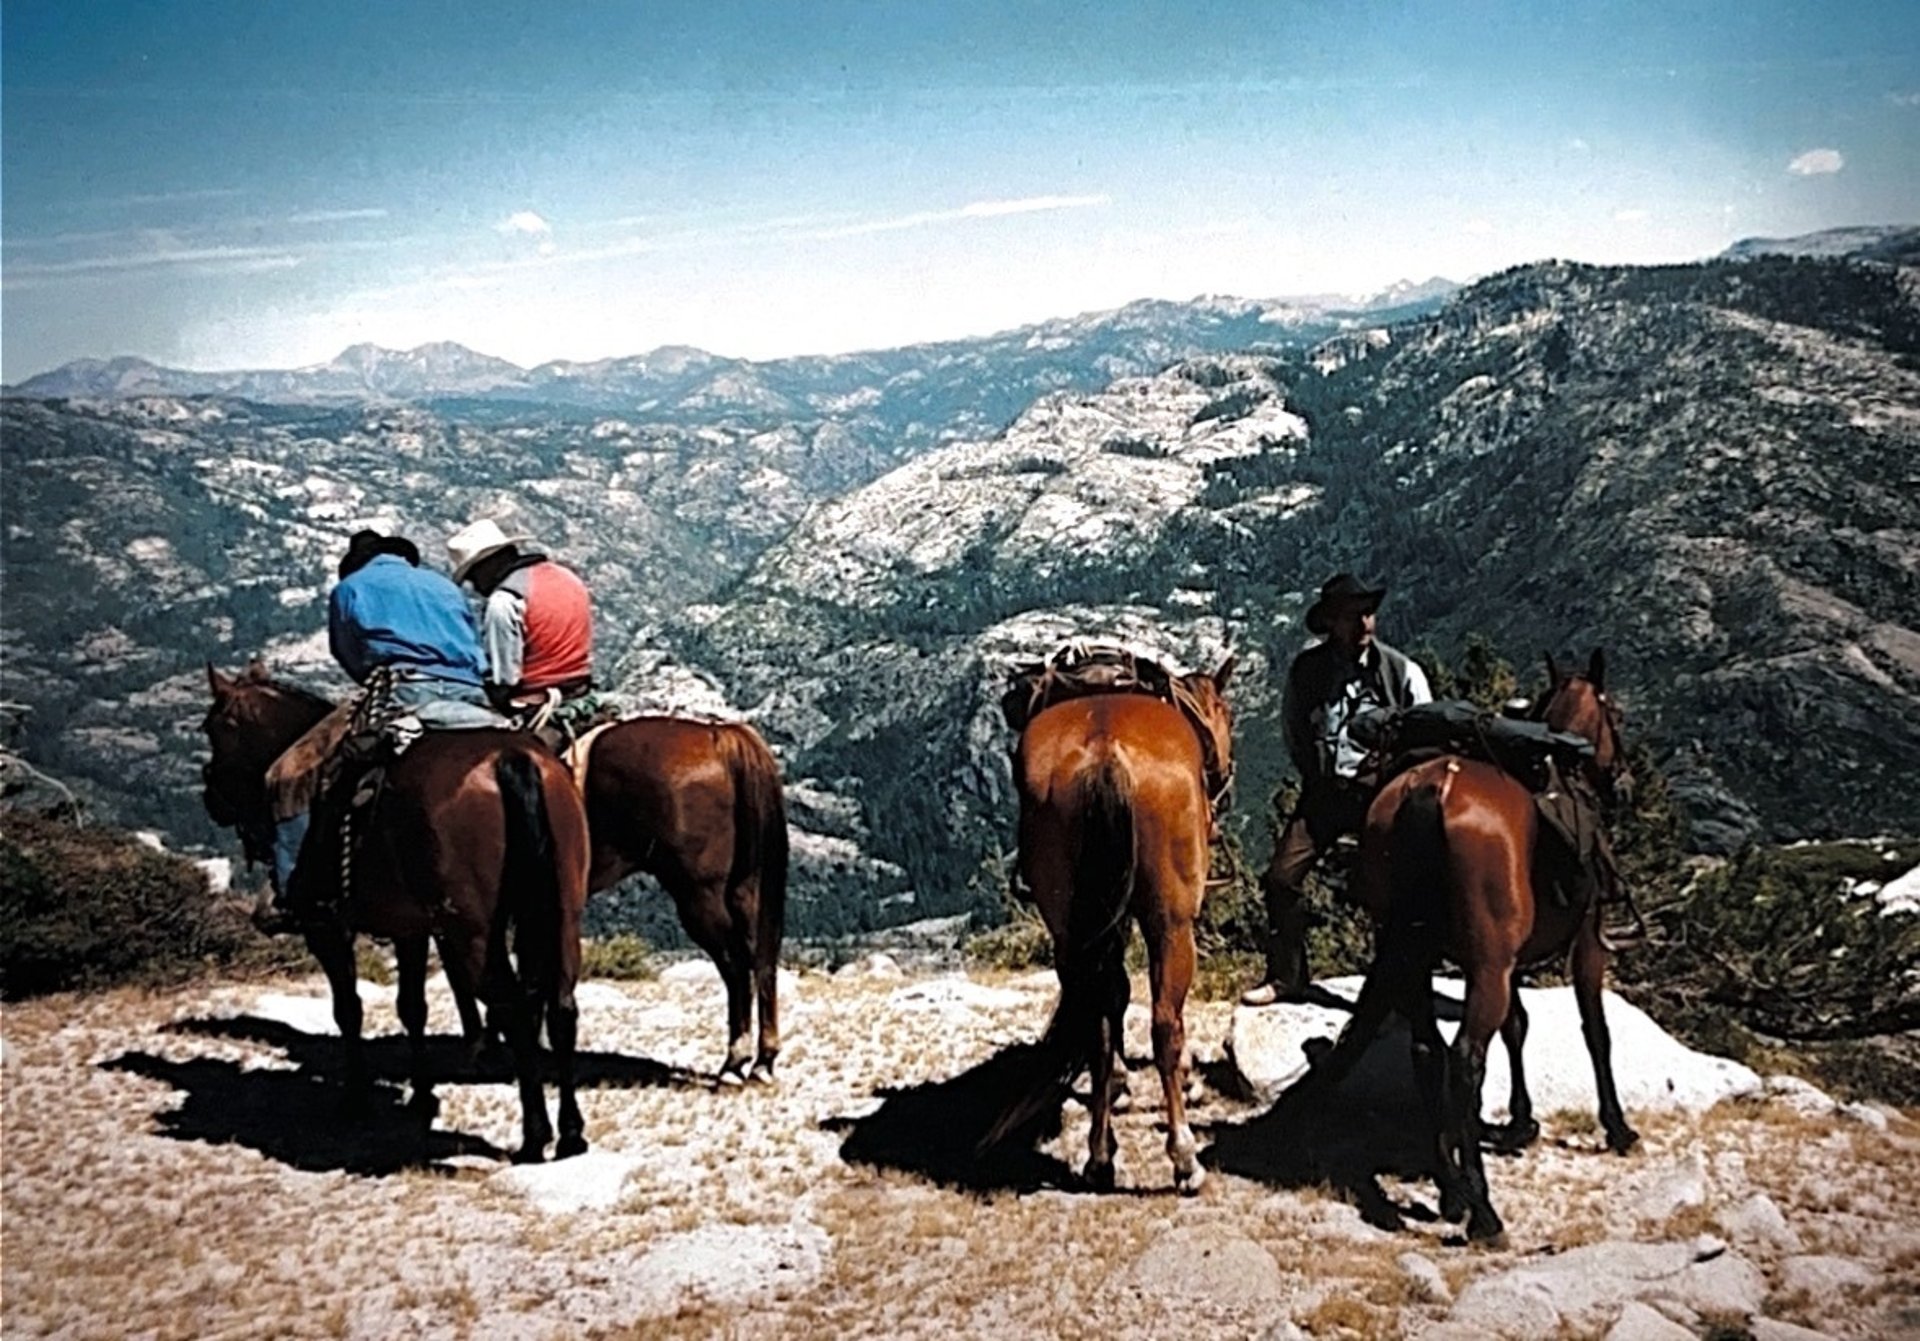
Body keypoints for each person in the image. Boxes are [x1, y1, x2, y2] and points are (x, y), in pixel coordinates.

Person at [253, 528, 500, 934]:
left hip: (400, 691)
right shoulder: (443, 586)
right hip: (470, 696)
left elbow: (348, 654)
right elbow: (473, 648)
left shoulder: (350, 588)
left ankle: (293, 893)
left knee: (288, 775)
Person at [1240, 573, 1433, 1005]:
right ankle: (1288, 976)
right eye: (1354, 616)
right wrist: (1317, 775)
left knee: (1394, 894)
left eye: (1369, 613)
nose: (1366, 623)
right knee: (1280, 879)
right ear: (1332, 622)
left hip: (1382, 798)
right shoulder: (1307, 671)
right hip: (1325, 795)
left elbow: (1424, 739)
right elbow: (1294, 730)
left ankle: (1398, 988)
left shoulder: (1402, 672)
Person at [446, 518, 596, 725]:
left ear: (487, 566)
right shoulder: (565, 576)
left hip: (535, 696)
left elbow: (505, 679)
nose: (474, 585)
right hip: (580, 685)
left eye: (473, 575)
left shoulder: (505, 600)